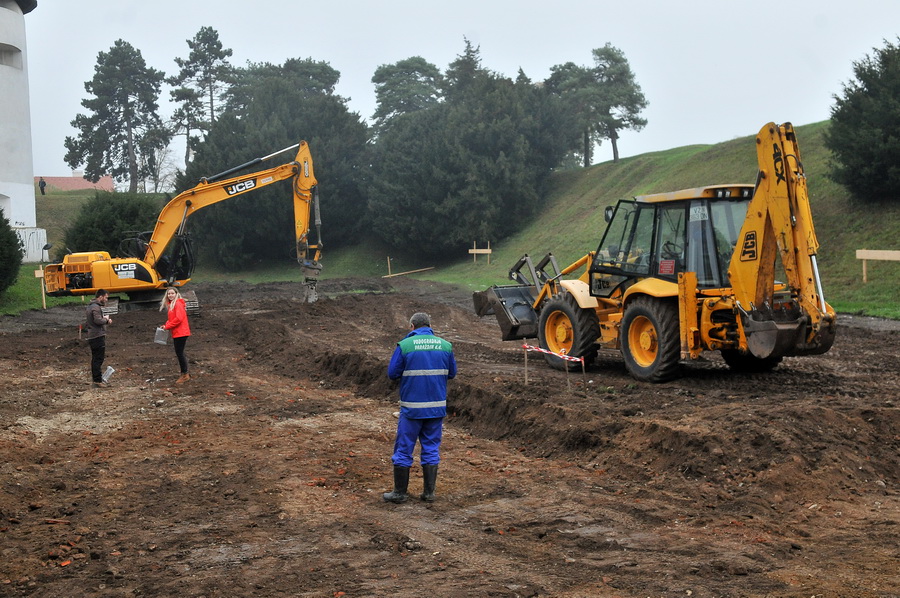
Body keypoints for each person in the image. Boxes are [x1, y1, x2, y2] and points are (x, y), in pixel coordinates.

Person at [383, 312, 457, 504]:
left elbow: (392, 373)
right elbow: (452, 373)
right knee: (431, 448)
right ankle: (429, 493)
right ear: (430, 326)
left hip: (412, 409)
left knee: (404, 448)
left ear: (412, 327)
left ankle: (399, 493)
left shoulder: (405, 345)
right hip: (436, 408)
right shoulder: (445, 345)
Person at [159, 287, 191, 384]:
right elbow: (173, 319)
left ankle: (185, 374)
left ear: (176, 294)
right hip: (178, 332)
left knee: (180, 353)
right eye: (169, 294)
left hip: (181, 332)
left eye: (172, 293)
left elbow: (178, 319)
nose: (170, 295)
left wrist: (167, 326)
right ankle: (185, 373)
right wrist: (166, 325)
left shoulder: (177, 304)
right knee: (180, 352)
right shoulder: (172, 305)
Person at [85, 289, 112, 388]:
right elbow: (97, 320)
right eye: (106, 297)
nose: (106, 300)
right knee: (98, 358)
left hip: (92, 335)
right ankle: (97, 381)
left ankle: (96, 379)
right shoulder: (95, 308)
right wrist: (106, 320)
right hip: (97, 335)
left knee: (95, 358)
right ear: (100, 296)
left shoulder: (90, 307)